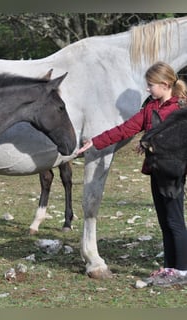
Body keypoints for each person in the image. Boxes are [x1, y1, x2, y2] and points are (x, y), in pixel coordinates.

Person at [77, 61, 187, 286]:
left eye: (151, 85)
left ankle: (183, 271)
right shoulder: (150, 109)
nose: (148, 89)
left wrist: (149, 142)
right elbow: (125, 129)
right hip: (157, 171)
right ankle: (169, 268)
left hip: (173, 174)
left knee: (175, 221)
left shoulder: (180, 111)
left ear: (165, 84)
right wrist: (95, 142)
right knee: (164, 222)